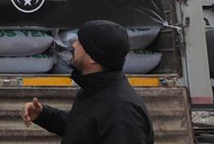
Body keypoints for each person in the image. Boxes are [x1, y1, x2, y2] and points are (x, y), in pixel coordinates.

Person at [22, 20, 154, 143]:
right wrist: (43, 114)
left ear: (93, 58)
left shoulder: (121, 112)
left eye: (80, 43)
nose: (74, 45)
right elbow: (83, 130)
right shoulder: (96, 90)